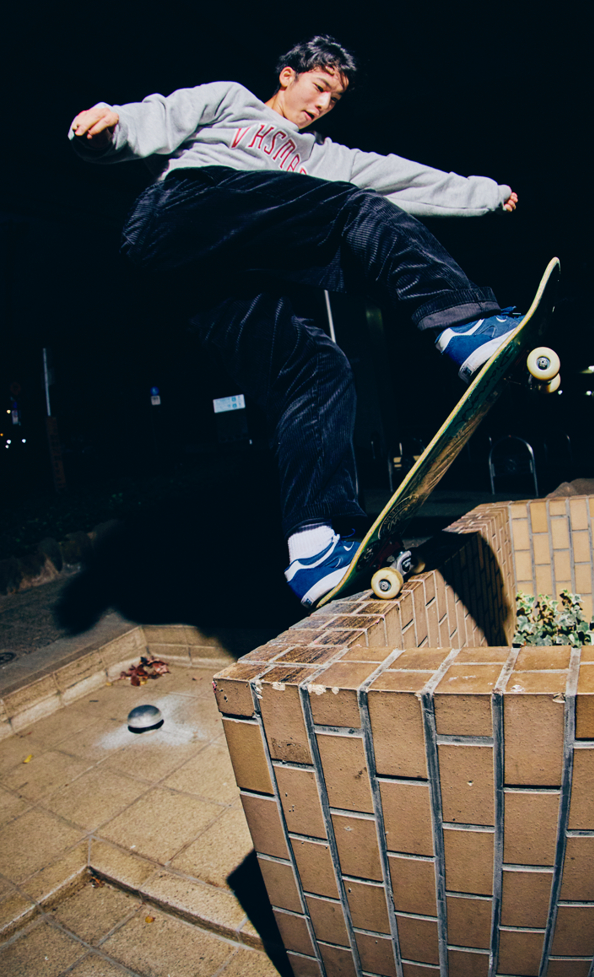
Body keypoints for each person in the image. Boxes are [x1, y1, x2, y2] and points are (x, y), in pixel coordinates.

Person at [69, 34, 520, 607]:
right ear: (288, 75)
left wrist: (484, 194)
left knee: (319, 371)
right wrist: (113, 129)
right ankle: (462, 322)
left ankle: (315, 545)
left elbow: (401, 177)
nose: (322, 105)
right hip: (183, 217)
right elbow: (163, 114)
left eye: (335, 99)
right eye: (319, 87)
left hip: (215, 285)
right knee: (351, 207)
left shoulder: (322, 157)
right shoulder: (232, 101)